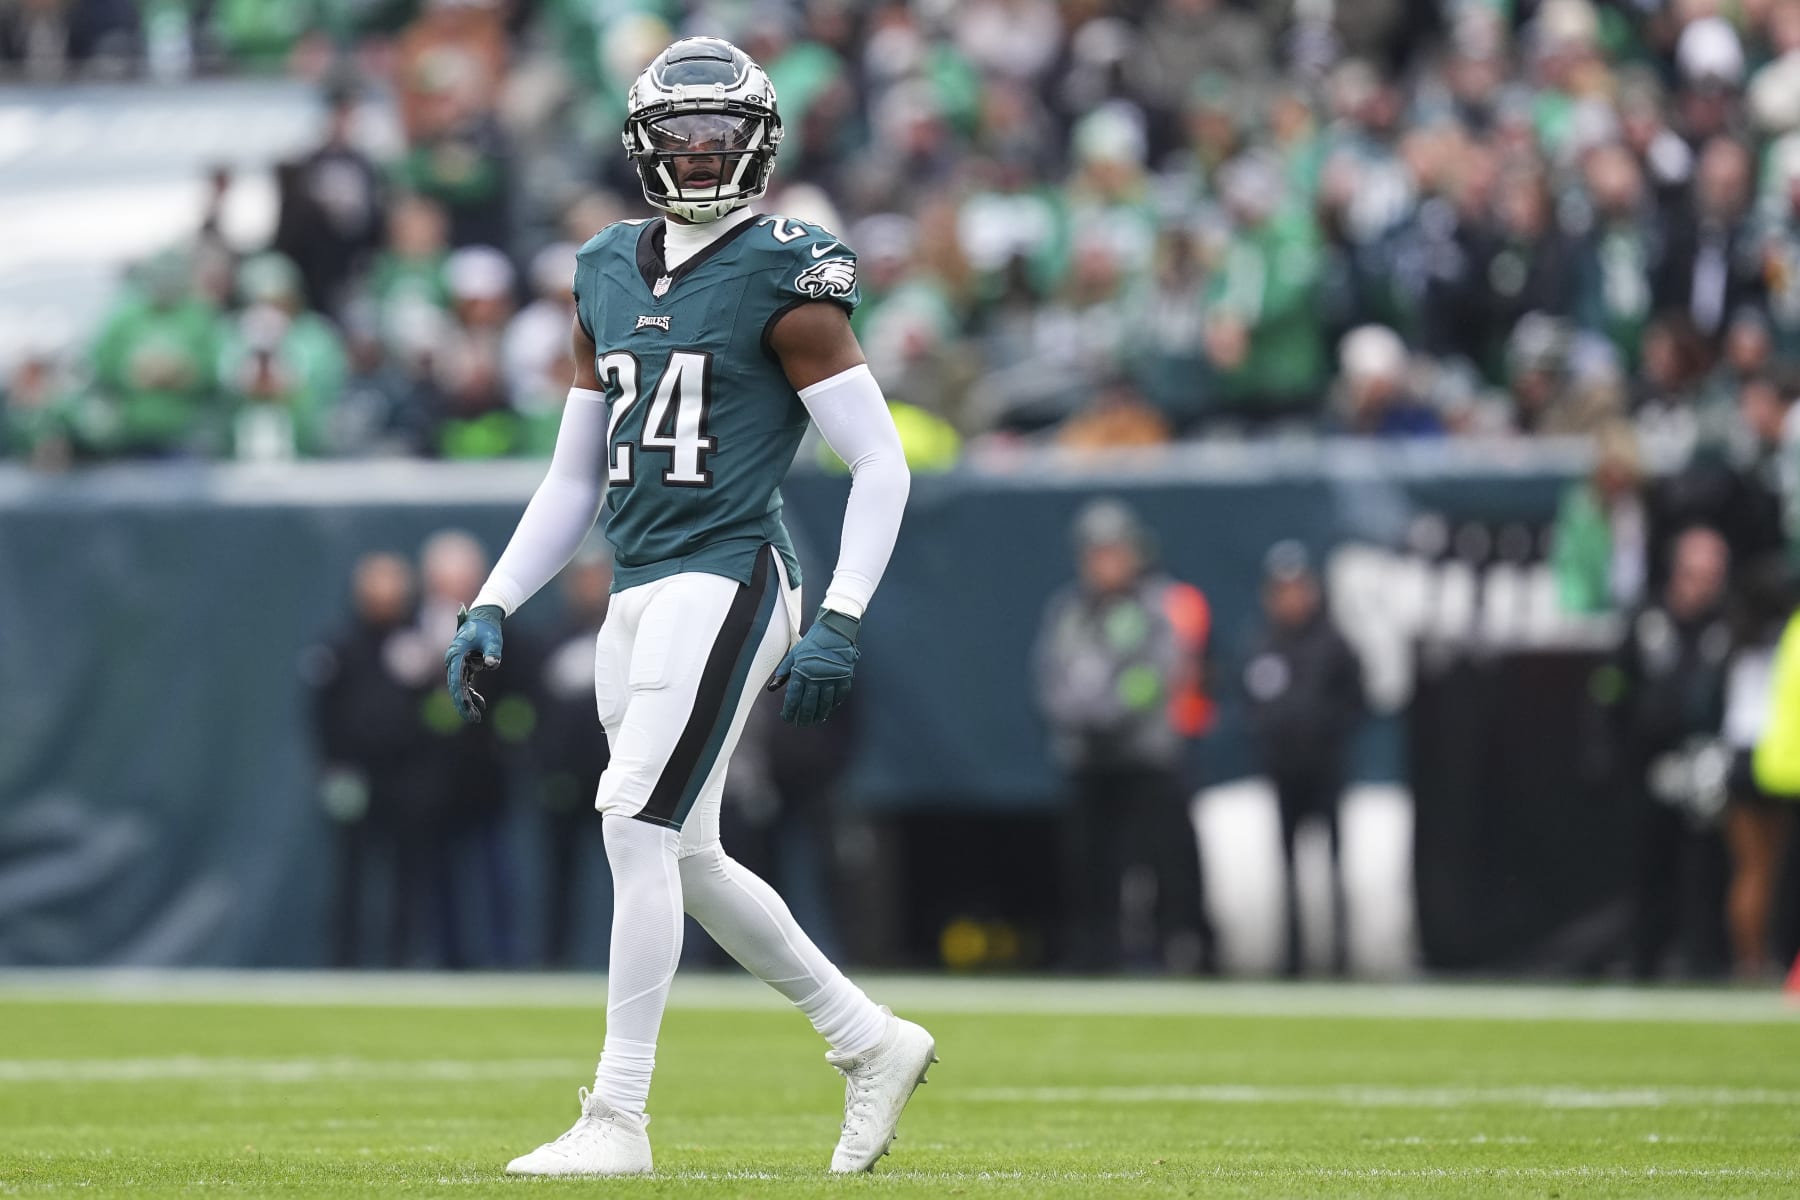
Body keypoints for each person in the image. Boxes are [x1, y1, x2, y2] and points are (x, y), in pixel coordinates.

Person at [440, 38, 927, 1178]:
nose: (701, 155)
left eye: (720, 136)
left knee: (633, 824)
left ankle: (618, 1117)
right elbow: (573, 476)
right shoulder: (604, 265)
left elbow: (883, 463)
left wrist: (843, 613)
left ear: (758, 144)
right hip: (639, 578)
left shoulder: (785, 268)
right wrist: (496, 596)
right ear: (643, 148)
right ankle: (870, 1040)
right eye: (681, 137)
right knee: (685, 851)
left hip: (733, 568)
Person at [1034, 499, 1215, 974]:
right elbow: (1050, 675)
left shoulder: (1155, 607)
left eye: (1113, 552)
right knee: (1090, 860)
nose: (1104, 563)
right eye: (1096, 553)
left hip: (1144, 757)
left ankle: (1172, 950)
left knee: (1161, 858)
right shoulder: (1069, 610)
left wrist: (1107, 712)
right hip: (1088, 757)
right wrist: (1077, 714)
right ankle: (1094, 951)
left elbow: (1156, 676)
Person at [1604, 526, 1734, 979]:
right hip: (1649, 761)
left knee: (1706, 872)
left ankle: (1706, 962)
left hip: (1707, 760)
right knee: (1647, 867)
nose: (1706, 583)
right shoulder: (1648, 619)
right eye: (1698, 572)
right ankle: (1644, 960)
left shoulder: (1729, 624)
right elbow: (1613, 686)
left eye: (1713, 573)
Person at [1240, 542, 1367, 977]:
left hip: (1326, 769)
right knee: (1287, 866)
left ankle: (1340, 956)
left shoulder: (1334, 643)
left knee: (1334, 863)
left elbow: (1358, 700)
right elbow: (1250, 702)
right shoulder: (1262, 643)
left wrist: (1326, 733)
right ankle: (1292, 957)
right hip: (1283, 771)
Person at [303, 552, 433, 968]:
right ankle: (343, 960)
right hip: (355, 777)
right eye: (376, 586)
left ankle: (401, 959)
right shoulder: (339, 647)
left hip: (406, 776)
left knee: (407, 874)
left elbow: (437, 711)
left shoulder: (421, 644)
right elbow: (321, 714)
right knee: (350, 874)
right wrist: (333, 769)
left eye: (393, 586)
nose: (385, 596)